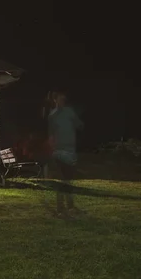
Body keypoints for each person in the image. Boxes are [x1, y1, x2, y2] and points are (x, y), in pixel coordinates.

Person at [47, 90, 84, 218]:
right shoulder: (53, 115)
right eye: (60, 99)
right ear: (55, 100)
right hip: (59, 151)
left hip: (70, 150)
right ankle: (60, 207)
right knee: (62, 178)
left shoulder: (70, 112)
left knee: (68, 179)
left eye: (64, 99)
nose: (63, 101)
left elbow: (79, 125)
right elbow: (51, 134)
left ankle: (70, 205)